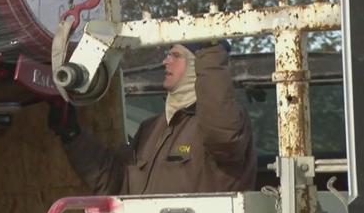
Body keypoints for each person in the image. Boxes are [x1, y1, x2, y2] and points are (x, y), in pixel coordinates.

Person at [49, 40, 256, 195]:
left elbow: (222, 135)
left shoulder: (226, 123)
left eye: (175, 55)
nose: (166, 61)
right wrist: (72, 134)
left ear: (196, 64)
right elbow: (117, 184)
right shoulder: (152, 127)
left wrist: (211, 51)